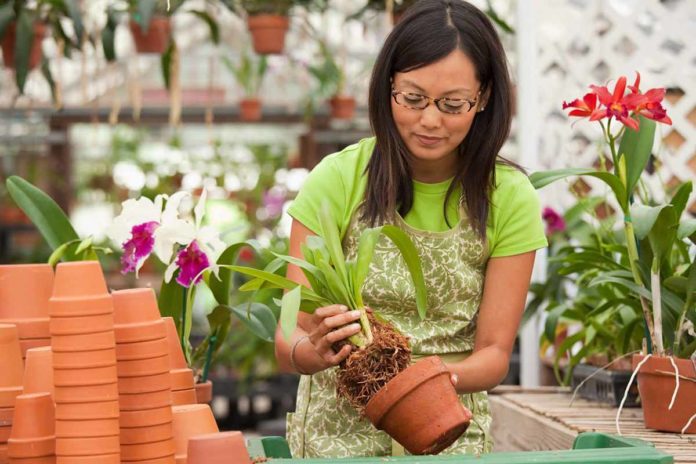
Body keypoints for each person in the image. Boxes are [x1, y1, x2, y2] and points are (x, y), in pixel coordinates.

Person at [276, 0, 547, 458]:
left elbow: (495, 353)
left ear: (482, 98)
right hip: (336, 437)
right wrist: (314, 351)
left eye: (453, 104)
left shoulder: (509, 196)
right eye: (413, 98)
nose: (429, 120)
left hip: (447, 433)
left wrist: (427, 382)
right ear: (388, 88)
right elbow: (289, 335)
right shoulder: (338, 178)